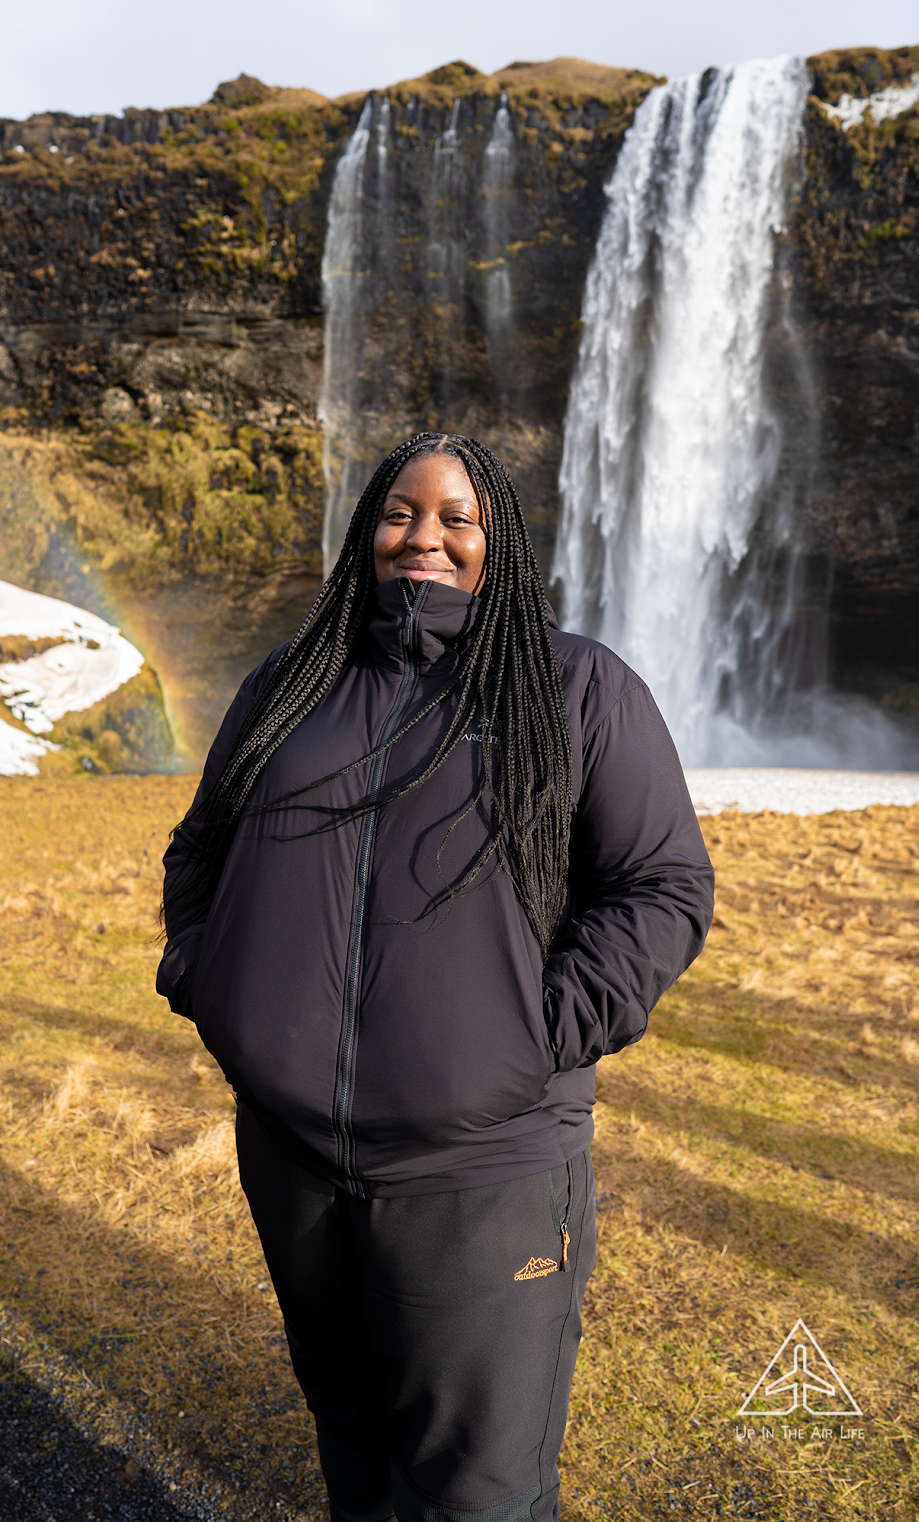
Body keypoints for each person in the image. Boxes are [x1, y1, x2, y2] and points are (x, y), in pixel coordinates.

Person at [157, 431, 714, 1522]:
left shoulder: (576, 686)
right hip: (294, 1162)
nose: (426, 536)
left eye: (457, 517)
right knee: (351, 1440)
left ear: (496, 541)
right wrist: (208, 981)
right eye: (401, 513)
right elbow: (200, 848)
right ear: (368, 529)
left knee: (479, 1490)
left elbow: (660, 886)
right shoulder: (293, 679)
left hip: (484, 1170)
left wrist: (530, 1037)